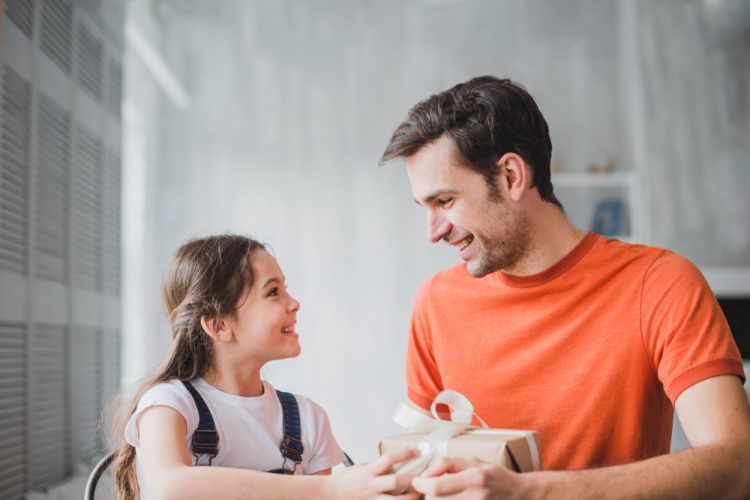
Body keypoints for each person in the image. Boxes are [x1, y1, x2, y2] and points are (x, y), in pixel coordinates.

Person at [379, 76, 750, 499]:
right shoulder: (434, 303)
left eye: (444, 202)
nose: (432, 232)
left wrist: (530, 492)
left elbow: (736, 466)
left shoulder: (660, 284)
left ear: (511, 176)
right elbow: (428, 461)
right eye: (424, 207)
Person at [113, 234, 419, 500]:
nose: (294, 303)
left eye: (285, 288)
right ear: (219, 325)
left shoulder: (308, 418)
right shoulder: (169, 404)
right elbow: (171, 486)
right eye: (273, 292)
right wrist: (332, 491)